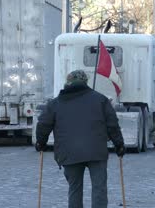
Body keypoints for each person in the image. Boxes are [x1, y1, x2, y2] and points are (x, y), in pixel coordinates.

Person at [35, 70, 125, 208]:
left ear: (68, 82)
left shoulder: (55, 103)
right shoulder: (101, 99)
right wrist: (119, 144)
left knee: (74, 189)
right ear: (85, 82)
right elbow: (112, 124)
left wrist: (41, 142)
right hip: (96, 151)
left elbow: (43, 124)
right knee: (99, 188)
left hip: (69, 152)